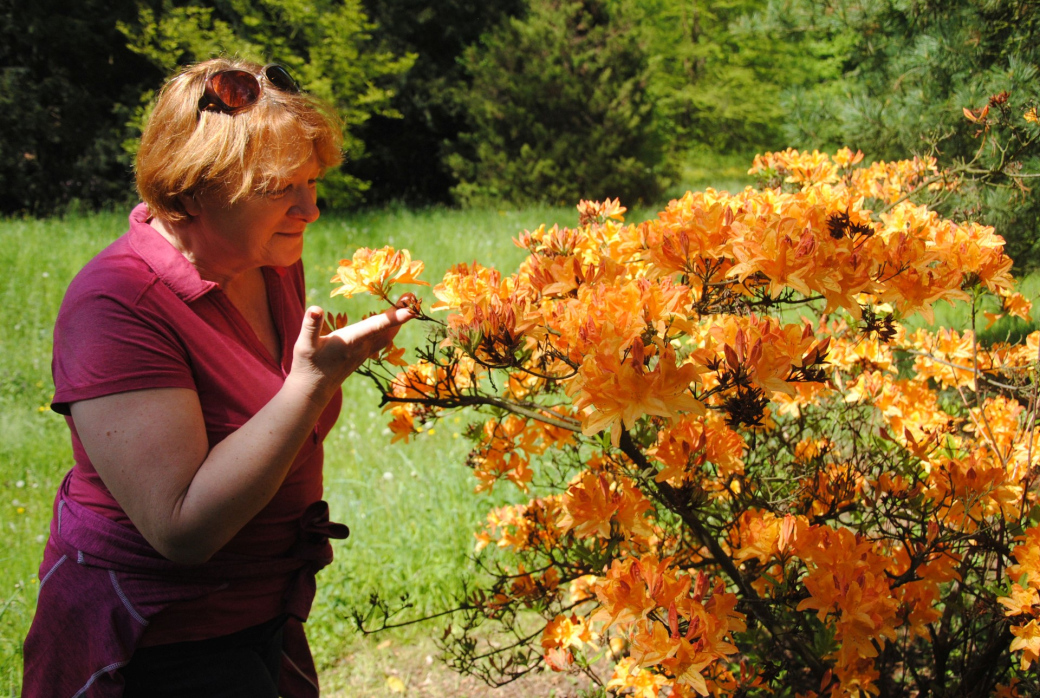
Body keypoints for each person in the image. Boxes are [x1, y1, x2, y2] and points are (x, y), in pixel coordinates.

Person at [22, 57, 412, 697]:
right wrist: (310, 385)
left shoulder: (268, 256)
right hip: (157, 640)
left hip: (259, 616)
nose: (310, 209)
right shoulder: (118, 301)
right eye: (280, 187)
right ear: (193, 187)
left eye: (312, 182)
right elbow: (182, 528)